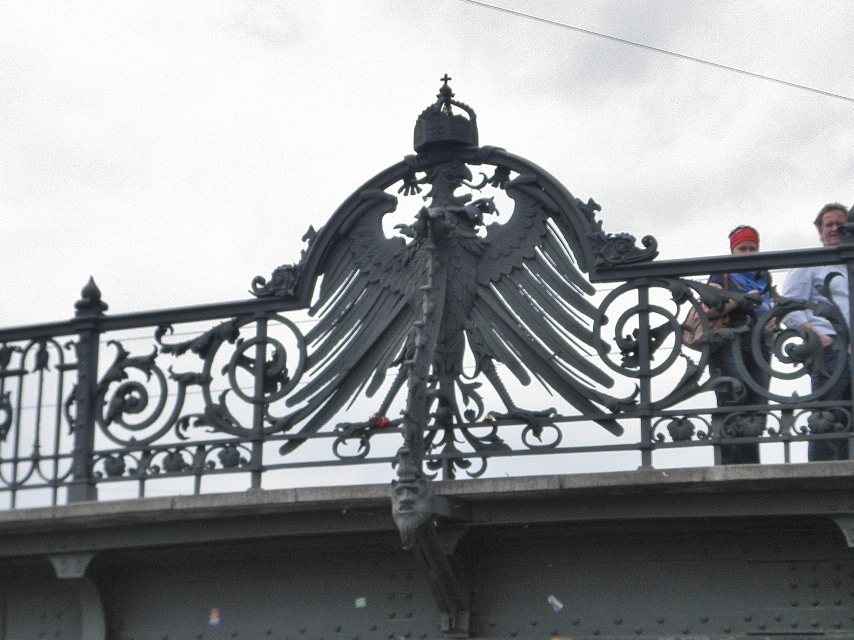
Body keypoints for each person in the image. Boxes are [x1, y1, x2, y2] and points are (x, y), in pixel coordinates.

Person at [781, 203, 851, 460]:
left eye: (839, 224)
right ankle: (824, 479)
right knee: (827, 417)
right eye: (829, 224)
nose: (835, 229)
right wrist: (816, 336)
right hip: (830, 349)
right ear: (820, 231)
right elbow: (788, 306)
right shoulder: (811, 263)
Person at [706, 225, 773, 464]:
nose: (747, 253)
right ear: (732, 250)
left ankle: (752, 468)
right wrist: (741, 299)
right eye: (741, 248)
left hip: (760, 348)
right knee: (732, 406)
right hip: (729, 345)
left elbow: (769, 306)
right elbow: (708, 308)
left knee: (757, 413)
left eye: (752, 248)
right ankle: (731, 471)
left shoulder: (764, 277)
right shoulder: (721, 274)